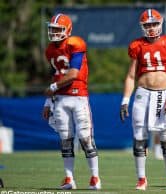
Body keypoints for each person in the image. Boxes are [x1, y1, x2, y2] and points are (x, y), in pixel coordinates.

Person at [120, 9, 166, 191]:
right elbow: (131, 76)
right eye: (147, 25)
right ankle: (141, 179)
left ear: (161, 23)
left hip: (163, 94)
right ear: (142, 27)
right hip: (142, 94)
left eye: (154, 24)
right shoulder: (136, 45)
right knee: (139, 137)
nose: (151, 28)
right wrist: (125, 99)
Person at [42, 13, 101, 190]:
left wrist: (52, 88)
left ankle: (95, 177)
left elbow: (74, 73)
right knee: (65, 140)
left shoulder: (75, 43)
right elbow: (56, 74)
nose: (54, 32)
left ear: (67, 30)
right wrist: (47, 102)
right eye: (52, 29)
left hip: (78, 96)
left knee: (85, 138)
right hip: (60, 99)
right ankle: (69, 178)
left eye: (58, 29)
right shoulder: (50, 50)